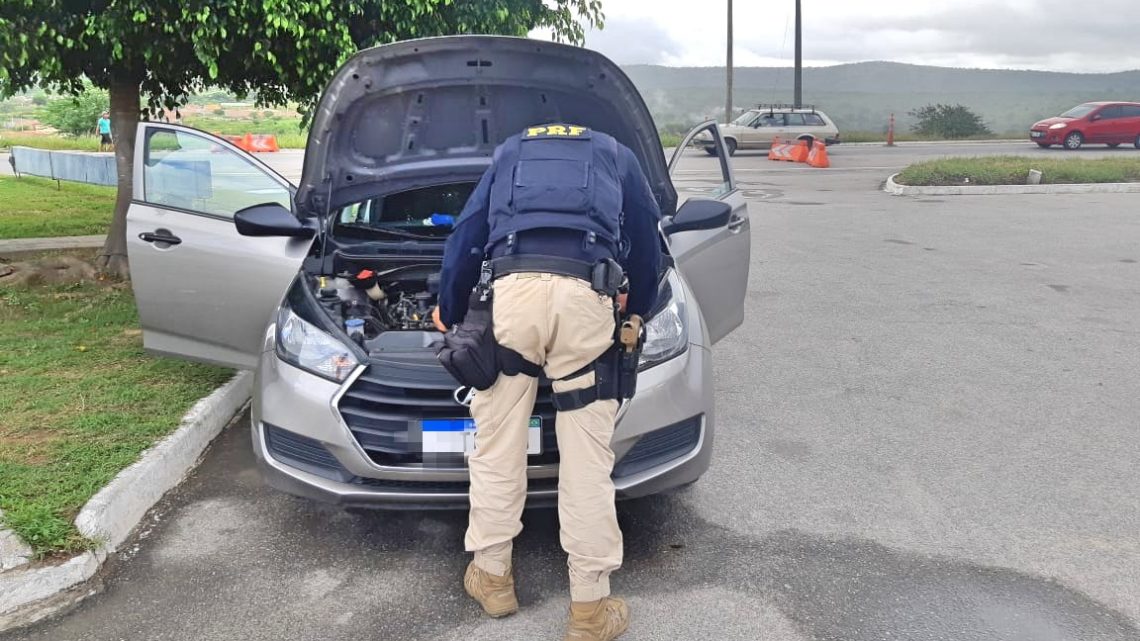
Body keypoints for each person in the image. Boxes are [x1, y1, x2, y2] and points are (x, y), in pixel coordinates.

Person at [435, 123, 662, 641]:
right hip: (586, 297)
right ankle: (588, 610)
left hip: (514, 295)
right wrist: (639, 308)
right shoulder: (615, 152)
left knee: (497, 446)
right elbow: (648, 238)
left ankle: (493, 579)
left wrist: (450, 309)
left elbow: (466, 236)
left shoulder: (511, 150)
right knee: (587, 459)